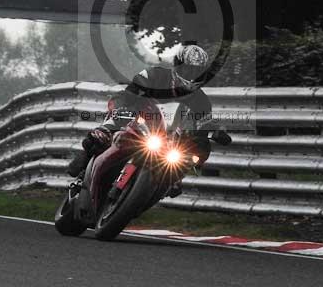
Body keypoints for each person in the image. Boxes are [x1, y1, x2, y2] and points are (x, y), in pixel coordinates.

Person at [67, 44, 214, 188]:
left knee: (183, 165)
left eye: (197, 71)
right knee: (101, 135)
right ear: (177, 66)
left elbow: (203, 130)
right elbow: (130, 93)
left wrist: (207, 142)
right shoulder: (155, 75)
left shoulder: (203, 102)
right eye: (188, 69)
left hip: (170, 140)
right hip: (139, 119)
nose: (192, 74)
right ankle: (85, 161)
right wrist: (122, 107)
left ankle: (166, 185)